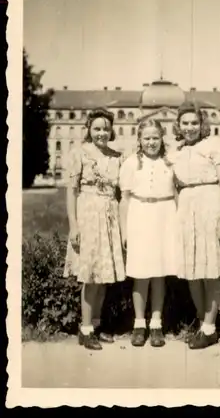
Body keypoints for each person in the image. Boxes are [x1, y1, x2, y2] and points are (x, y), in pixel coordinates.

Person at [169, 101, 220, 350]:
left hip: (210, 207)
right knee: (193, 271)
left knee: (210, 269)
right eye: (185, 123)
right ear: (178, 125)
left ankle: (210, 328)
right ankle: (202, 323)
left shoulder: (214, 145)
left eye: (194, 123)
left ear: (202, 124)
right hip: (187, 211)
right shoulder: (175, 152)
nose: (189, 127)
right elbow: (174, 187)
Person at [63, 108, 126, 350]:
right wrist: (74, 225)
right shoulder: (79, 153)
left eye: (106, 129)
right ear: (89, 129)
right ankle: (85, 328)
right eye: (97, 128)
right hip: (88, 215)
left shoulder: (116, 156)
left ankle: (97, 325)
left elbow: (121, 192)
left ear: (112, 131)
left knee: (103, 276)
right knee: (90, 276)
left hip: (109, 217)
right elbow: (72, 191)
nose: (101, 133)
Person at [119, 119, 177, 348]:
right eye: (147, 138)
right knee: (141, 274)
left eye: (155, 137)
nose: (151, 142)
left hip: (165, 217)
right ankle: (139, 324)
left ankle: (156, 324)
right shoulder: (131, 163)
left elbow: (177, 193)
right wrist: (124, 231)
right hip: (139, 216)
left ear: (162, 138)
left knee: (159, 273)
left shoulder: (171, 162)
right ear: (139, 140)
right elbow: (123, 200)